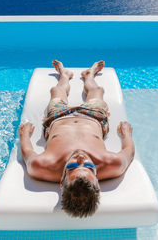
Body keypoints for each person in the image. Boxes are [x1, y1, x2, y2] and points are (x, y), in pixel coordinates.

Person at [19, 60, 135, 218]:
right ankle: (90, 75)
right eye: (88, 166)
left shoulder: (41, 166)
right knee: (98, 90)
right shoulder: (112, 164)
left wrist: (24, 135)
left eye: (73, 166)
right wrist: (126, 134)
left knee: (56, 91)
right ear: (96, 177)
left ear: (62, 180)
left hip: (58, 117)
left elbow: (28, 152)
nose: (81, 157)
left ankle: (64, 76)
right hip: (93, 116)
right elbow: (128, 151)